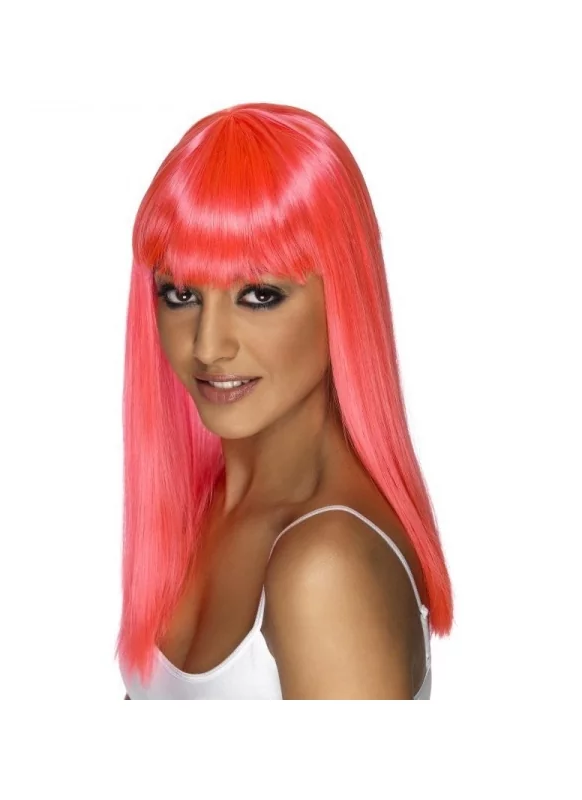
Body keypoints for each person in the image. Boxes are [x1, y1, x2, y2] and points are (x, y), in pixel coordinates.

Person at [116, 102, 453, 699]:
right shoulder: (203, 508)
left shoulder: (326, 566)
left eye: (259, 295)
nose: (208, 346)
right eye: (181, 294)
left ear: (343, 295)